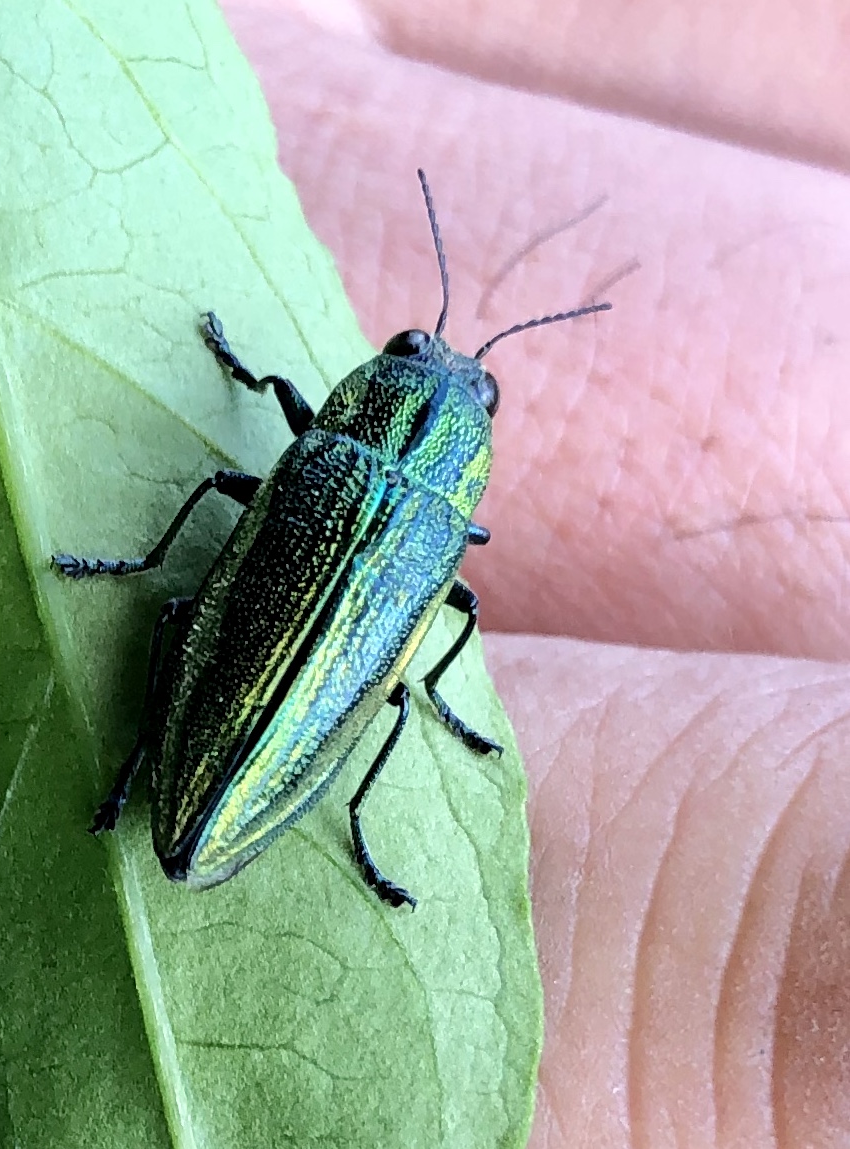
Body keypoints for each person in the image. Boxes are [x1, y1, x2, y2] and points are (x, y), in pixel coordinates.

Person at [227, 3, 850, 1144]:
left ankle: (349, 789)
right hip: (347, 635)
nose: (438, 355)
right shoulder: (437, 532)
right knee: (393, 686)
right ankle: (372, 772)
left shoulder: (339, 452)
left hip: (282, 628)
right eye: (423, 348)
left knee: (221, 606)